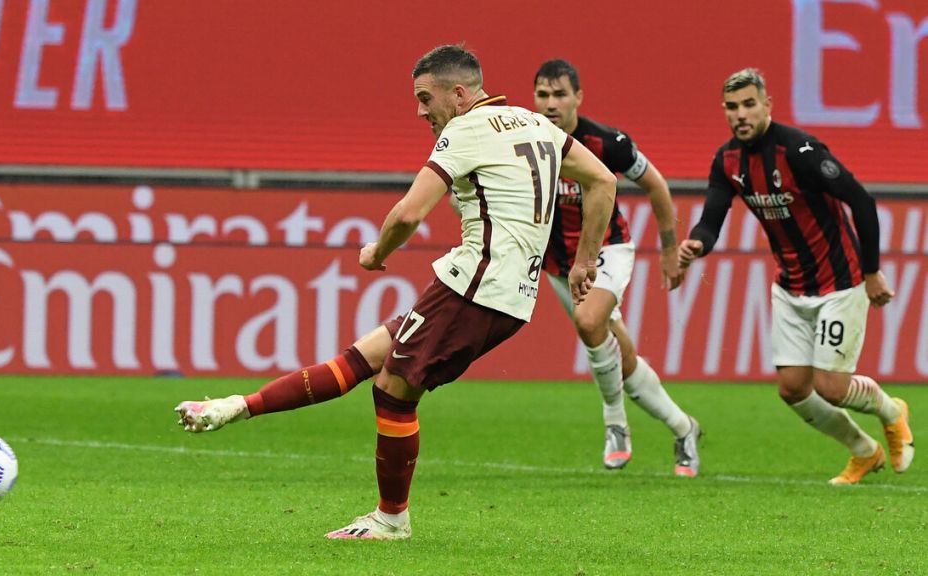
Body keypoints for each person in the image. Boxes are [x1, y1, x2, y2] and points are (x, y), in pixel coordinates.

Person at [177, 44, 617, 539]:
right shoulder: (535, 124)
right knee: (364, 357)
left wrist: (376, 252)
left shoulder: (465, 129)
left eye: (426, 98)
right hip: (498, 290)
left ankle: (391, 519)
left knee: (392, 391)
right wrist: (584, 260)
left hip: (477, 286)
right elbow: (602, 180)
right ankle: (237, 406)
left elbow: (408, 213)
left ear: (458, 93)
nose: (420, 110)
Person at [677, 68, 914, 485]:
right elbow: (712, 219)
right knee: (792, 388)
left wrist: (873, 271)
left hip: (840, 280)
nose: (741, 115)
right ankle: (864, 451)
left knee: (832, 388)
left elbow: (861, 200)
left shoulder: (799, 151)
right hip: (790, 286)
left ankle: (892, 412)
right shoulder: (727, 160)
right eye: (732, 107)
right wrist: (697, 243)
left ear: (767, 105)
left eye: (749, 104)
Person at [533, 59, 701, 476]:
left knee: (590, 323)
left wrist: (667, 249)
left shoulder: (608, 142)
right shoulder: (528, 141)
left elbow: (656, 185)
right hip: (557, 264)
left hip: (609, 249)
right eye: (543, 94)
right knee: (619, 354)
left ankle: (615, 424)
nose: (551, 103)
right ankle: (684, 428)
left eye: (560, 94)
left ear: (578, 97)